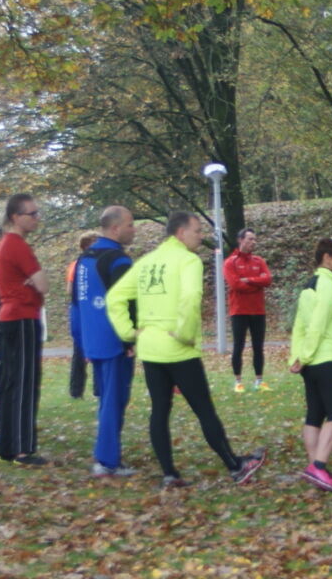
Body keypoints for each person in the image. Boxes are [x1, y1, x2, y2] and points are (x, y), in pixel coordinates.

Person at [107, 211, 266, 488]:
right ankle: (234, 466)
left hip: (151, 349)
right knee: (204, 409)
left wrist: (128, 333)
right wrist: (185, 333)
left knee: (159, 411)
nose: (201, 236)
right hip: (179, 348)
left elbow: (114, 297)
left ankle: (169, 473)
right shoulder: (188, 260)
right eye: (197, 231)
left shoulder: (147, 261)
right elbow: (191, 297)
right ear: (181, 233)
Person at [71, 206, 137, 477]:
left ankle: (105, 454)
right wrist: (129, 340)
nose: (134, 230)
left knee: (106, 400)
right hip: (114, 341)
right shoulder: (118, 260)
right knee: (114, 400)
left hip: (93, 340)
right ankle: (108, 461)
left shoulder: (83, 259)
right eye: (130, 224)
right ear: (115, 228)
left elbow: (76, 304)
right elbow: (129, 304)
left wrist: (81, 341)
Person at [290, 237, 332, 492]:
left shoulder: (310, 285)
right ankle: (318, 466)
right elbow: (316, 325)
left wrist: (298, 357)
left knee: (315, 415)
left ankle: (316, 469)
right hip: (326, 358)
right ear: (327, 258)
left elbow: (299, 326)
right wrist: (303, 357)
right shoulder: (326, 286)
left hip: (312, 361)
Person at [0, 193, 48, 466]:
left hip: (9, 317)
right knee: (25, 383)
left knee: (11, 381)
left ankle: (7, 446)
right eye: (32, 213)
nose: (37, 218)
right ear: (16, 217)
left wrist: (32, 281)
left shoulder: (5, 244)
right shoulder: (17, 245)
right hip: (22, 317)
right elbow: (44, 285)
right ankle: (22, 450)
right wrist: (32, 282)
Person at [223, 227, 273, 393]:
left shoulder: (259, 261)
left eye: (254, 239)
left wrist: (249, 280)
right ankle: (238, 381)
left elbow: (268, 279)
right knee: (239, 346)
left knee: (258, 346)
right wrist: (256, 283)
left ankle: (259, 380)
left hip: (258, 310)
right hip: (239, 310)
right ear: (240, 240)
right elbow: (236, 284)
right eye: (250, 239)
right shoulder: (230, 262)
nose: (253, 242)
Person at [66, 231, 99, 400]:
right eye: (95, 242)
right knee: (80, 350)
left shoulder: (94, 262)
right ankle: (77, 390)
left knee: (94, 349)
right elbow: (70, 289)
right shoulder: (77, 264)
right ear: (86, 245)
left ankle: (94, 389)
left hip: (87, 309)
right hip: (82, 310)